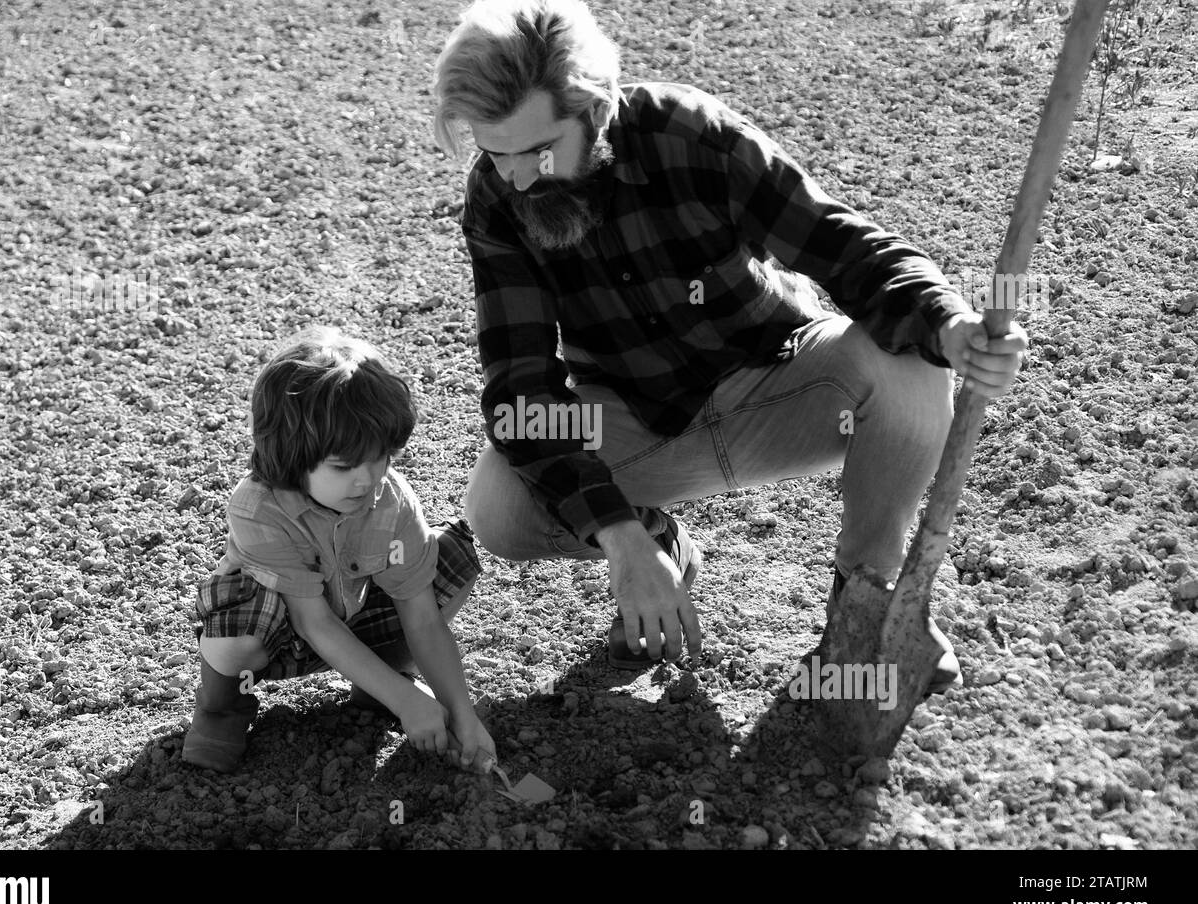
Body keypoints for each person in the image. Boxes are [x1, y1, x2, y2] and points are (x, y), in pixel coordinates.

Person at [432, 0, 1028, 686]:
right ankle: (658, 544)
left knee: (910, 363)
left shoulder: (689, 135)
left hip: (781, 386)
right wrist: (621, 536)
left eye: (537, 150)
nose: (518, 178)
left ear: (593, 109)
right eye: (494, 152)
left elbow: (843, 247)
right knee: (500, 503)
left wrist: (949, 325)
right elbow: (523, 391)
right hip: (638, 420)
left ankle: (865, 604)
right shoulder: (499, 200)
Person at [183, 326, 496, 773]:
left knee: (450, 561)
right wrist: (408, 703)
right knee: (240, 627)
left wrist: (462, 716)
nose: (367, 480)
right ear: (293, 455)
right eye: (344, 466)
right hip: (283, 637)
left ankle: (380, 684)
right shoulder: (258, 509)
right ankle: (223, 707)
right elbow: (314, 624)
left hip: (353, 621)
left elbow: (423, 620)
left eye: (381, 457)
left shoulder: (391, 502)